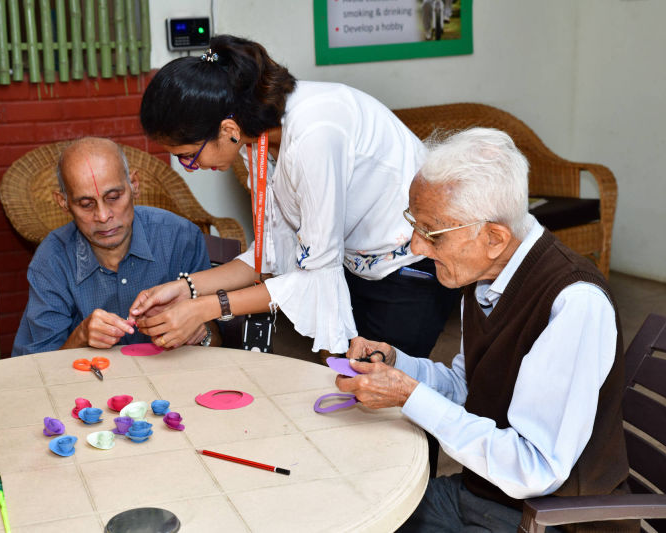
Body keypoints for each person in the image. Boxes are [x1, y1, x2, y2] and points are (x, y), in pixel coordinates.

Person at [337, 128, 635, 532]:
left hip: (547, 520)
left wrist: (409, 396)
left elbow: (534, 470)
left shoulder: (573, 302)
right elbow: (469, 388)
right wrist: (397, 365)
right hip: (483, 495)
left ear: (494, 237)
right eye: (414, 224)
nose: (415, 247)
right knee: (355, 511)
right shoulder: (484, 275)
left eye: (431, 232)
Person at [130, 34, 457, 361]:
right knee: (344, 379)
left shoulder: (313, 135)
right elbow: (271, 254)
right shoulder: (255, 138)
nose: (191, 168)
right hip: (355, 261)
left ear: (227, 128)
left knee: (381, 388)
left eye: (189, 155)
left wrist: (201, 308)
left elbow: (316, 278)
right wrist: (185, 288)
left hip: (408, 263)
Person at [11, 137, 217, 355]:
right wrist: (80, 337)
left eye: (114, 197)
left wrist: (201, 333)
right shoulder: (52, 259)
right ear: (63, 203)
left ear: (134, 185)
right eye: (86, 204)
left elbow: (219, 340)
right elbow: (39, 368)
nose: (102, 216)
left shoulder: (180, 238)